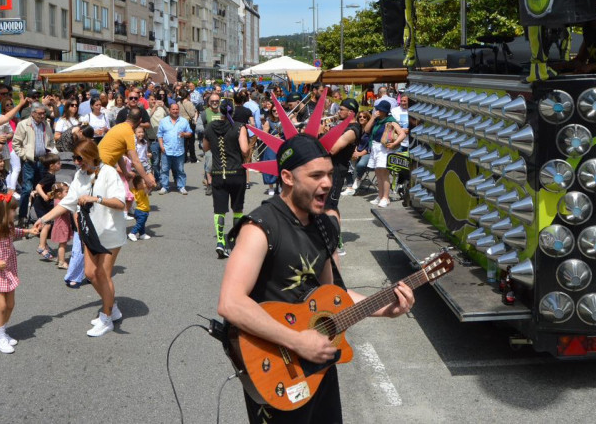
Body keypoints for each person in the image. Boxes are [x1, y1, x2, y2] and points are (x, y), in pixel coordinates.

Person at [217, 134, 415, 424]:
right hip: (275, 365)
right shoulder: (260, 227)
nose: (327, 183)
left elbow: (331, 295)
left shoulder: (325, 225)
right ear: (287, 177)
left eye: (330, 174)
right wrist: (297, 341)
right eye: (316, 175)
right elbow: (230, 303)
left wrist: (386, 307)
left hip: (318, 362)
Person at [34, 140, 127, 337]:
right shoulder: (80, 175)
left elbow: (120, 203)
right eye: (75, 158)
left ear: (91, 155)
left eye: (79, 158)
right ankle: (112, 306)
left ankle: (107, 317)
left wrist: (97, 199)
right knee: (90, 274)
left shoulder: (108, 172)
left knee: (103, 274)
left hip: (110, 233)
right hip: (91, 233)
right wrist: (43, 220)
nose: (76, 162)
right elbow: (68, 202)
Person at [0, 192, 40, 354]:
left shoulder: (9, 226)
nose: (15, 213)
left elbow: (15, 232)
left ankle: (0, 332)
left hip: (8, 269)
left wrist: (28, 232)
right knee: (2, 305)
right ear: (2, 212)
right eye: (13, 210)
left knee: (10, 305)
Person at [203, 101, 248, 258]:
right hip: (236, 172)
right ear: (233, 111)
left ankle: (220, 241)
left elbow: (205, 147)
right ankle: (235, 240)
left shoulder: (210, 127)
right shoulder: (239, 126)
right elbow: (244, 149)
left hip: (217, 173)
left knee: (219, 209)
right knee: (238, 209)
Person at [12, 102, 55, 224]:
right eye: (40, 113)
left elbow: (51, 141)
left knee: (42, 188)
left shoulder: (46, 124)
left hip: (43, 161)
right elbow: (16, 143)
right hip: (30, 161)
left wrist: (51, 151)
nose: (43, 116)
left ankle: (42, 216)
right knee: (27, 189)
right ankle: (23, 216)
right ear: (33, 113)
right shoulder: (23, 124)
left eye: (44, 113)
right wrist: (24, 156)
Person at [98, 107, 156, 189]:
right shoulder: (129, 133)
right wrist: (147, 180)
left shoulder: (118, 126)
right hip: (103, 165)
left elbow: (119, 154)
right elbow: (135, 161)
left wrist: (125, 173)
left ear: (128, 116)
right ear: (140, 121)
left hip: (97, 162)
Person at [325, 100, 362, 219]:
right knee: (324, 203)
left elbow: (333, 149)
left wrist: (322, 136)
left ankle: (334, 233)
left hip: (337, 169)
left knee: (330, 205)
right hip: (330, 167)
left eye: (341, 109)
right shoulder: (344, 126)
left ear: (351, 112)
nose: (338, 112)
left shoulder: (352, 130)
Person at [364, 101, 406, 208]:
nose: (377, 111)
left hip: (384, 149)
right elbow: (366, 130)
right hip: (375, 147)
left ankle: (386, 197)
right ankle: (380, 195)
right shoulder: (377, 120)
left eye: (379, 109)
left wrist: (394, 144)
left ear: (384, 111)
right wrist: (373, 118)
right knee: (378, 173)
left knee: (384, 173)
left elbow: (402, 134)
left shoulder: (391, 121)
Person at [156, 103, 193, 195]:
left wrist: (184, 134)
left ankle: (181, 186)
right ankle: (165, 186)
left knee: (180, 170)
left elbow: (190, 132)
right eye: (173, 109)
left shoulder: (184, 121)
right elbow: (160, 135)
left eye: (177, 109)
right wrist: (161, 146)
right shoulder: (163, 121)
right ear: (169, 110)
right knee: (164, 169)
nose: (175, 111)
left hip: (179, 150)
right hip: (166, 150)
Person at [342, 111, 372, 197]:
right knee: (346, 161)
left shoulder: (370, 129)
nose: (362, 118)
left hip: (368, 152)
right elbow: (354, 141)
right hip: (357, 150)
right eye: (360, 117)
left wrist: (360, 153)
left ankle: (358, 178)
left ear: (368, 119)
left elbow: (371, 146)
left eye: (364, 117)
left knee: (361, 165)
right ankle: (349, 187)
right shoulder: (357, 128)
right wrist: (354, 151)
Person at [45, 183, 73, 268]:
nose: (68, 193)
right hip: (62, 226)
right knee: (63, 244)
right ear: (59, 194)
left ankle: (59, 259)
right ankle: (61, 262)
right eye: (66, 192)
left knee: (62, 243)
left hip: (61, 225)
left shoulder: (57, 200)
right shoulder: (61, 203)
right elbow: (68, 210)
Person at [127, 175, 151, 242]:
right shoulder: (141, 192)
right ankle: (132, 233)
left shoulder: (134, 190)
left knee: (142, 223)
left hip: (139, 211)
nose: (145, 184)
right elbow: (148, 189)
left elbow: (130, 186)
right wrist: (151, 184)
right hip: (142, 211)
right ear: (139, 185)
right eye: (143, 183)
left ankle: (142, 234)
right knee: (140, 224)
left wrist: (131, 179)